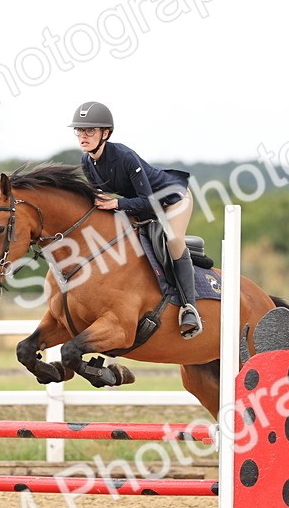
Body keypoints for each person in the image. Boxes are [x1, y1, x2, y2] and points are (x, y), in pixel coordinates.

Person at [67, 101, 202, 339]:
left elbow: (148, 201)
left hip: (171, 199)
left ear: (105, 133)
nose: (83, 136)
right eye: (79, 130)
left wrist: (117, 203)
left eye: (90, 130)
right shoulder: (87, 162)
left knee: (172, 239)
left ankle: (189, 308)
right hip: (141, 207)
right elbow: (100, 199)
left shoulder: (125, 157)